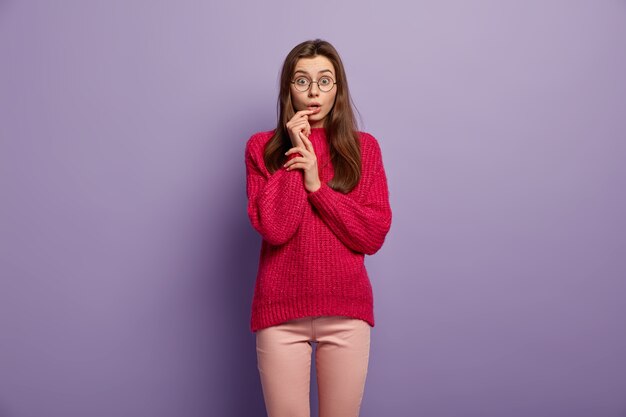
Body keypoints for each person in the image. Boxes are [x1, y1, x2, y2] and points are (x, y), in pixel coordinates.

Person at [244, 38, 392, 417]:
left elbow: (371, 234)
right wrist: (297, 151)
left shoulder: (364, 149)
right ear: (288, 90)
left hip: (345, 312)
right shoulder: (261, 148)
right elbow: (275, 228)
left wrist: (316, 186)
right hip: (280, 315)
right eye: (302, 81)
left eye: (325, 81)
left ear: (338, 88)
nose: (313, 92)